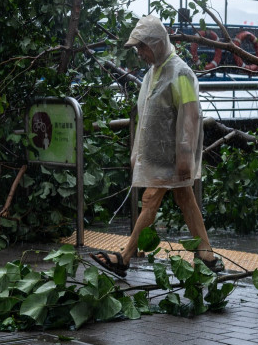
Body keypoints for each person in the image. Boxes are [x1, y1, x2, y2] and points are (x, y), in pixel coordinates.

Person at [90, 15, 224, 277]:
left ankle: (124, 258)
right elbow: (147, 118)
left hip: (172, 157)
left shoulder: (181, 73)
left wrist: (185, 157)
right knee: (184, 197)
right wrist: (137, 154)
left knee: (151, 198)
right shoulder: (154, 72)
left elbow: (190, 117)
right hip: (159, 156)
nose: (139, 53)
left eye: (142, 47)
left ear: (156, 43)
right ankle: (207, 255)